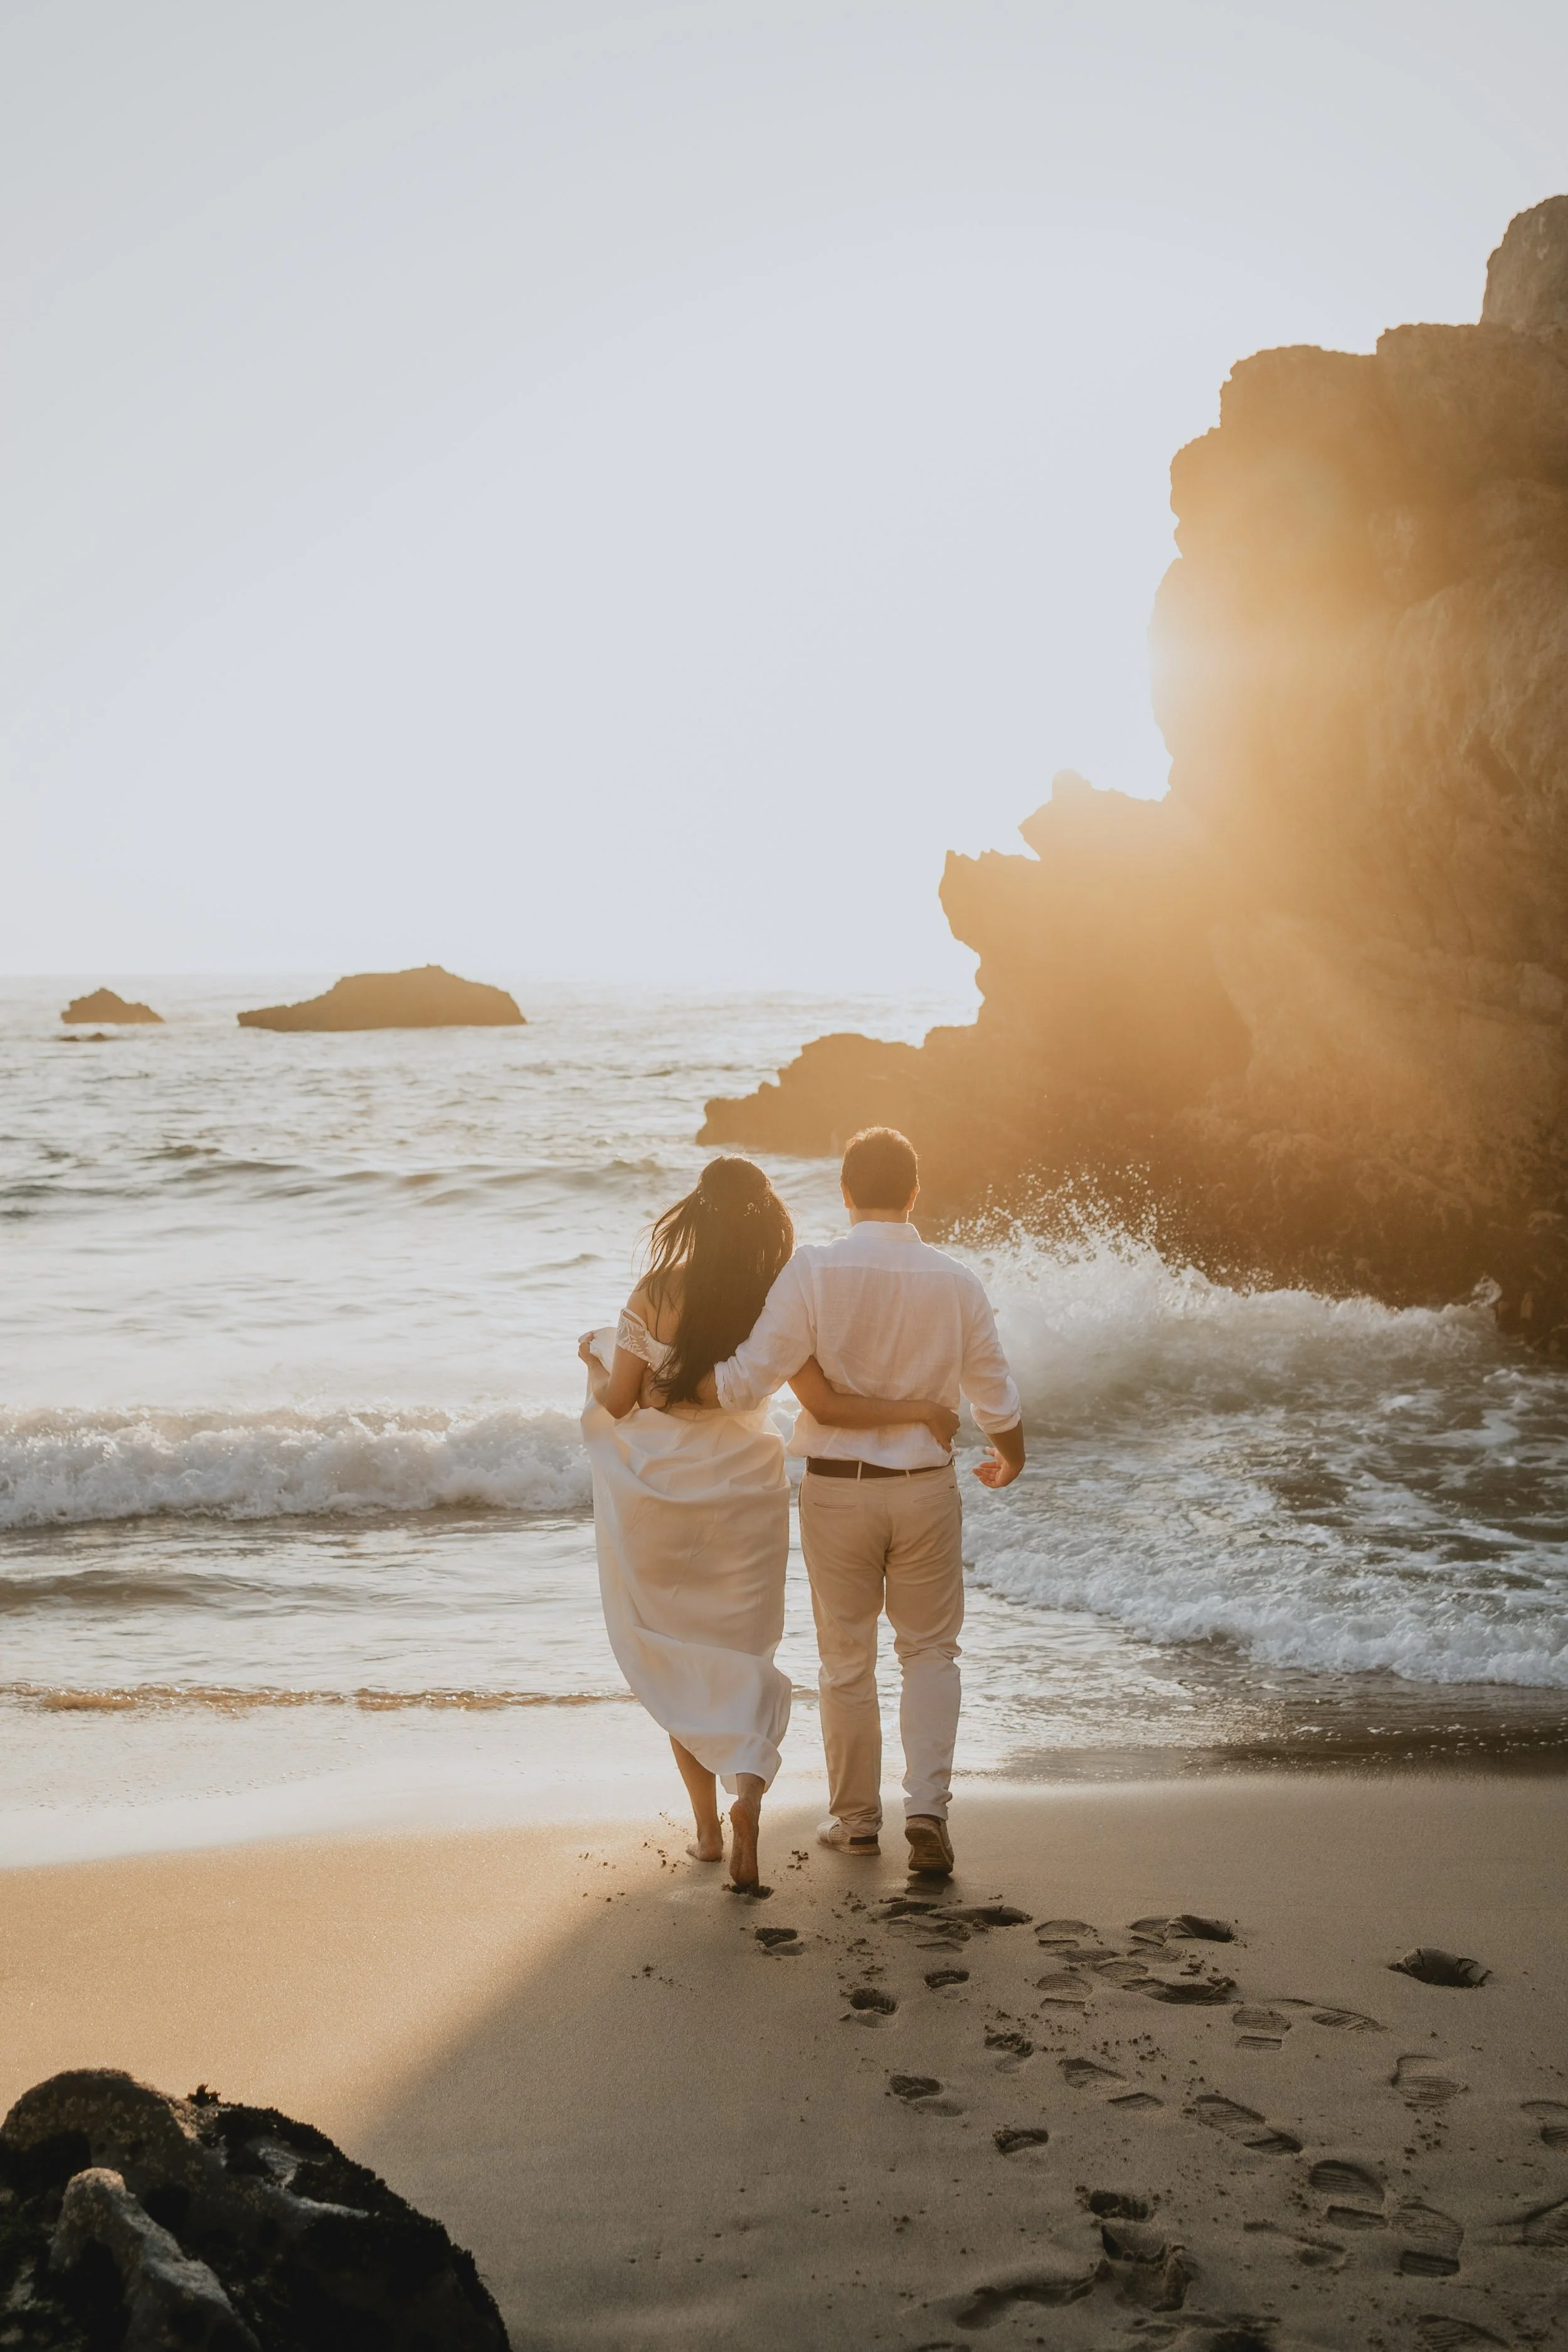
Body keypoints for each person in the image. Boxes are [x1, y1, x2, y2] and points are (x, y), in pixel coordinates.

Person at [579, 1155, 959, 1890]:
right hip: (744, 1496)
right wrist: (917, 1409)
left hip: (663, 1496)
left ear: (697, 1210)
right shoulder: (775, 1299)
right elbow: (821, 1403)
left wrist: (595, 1360)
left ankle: (706, 1832)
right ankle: (747, 1793)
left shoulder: (656, 1292)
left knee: (677, 1653)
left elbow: (622, 1403)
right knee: (741, 1651)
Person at [707, 1127, 1024, 1878]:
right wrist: (1012, 1456)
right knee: (930, 1652)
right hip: (924, 1492)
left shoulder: (811, 1270)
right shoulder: (956, 1281)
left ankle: (854, 1824)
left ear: (844, 1193)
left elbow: (749, 1378)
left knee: (845, 1661)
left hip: (837, 1494)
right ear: (916, 1192)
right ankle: (927, 1812)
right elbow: (996, 1396)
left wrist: (654, 1381)